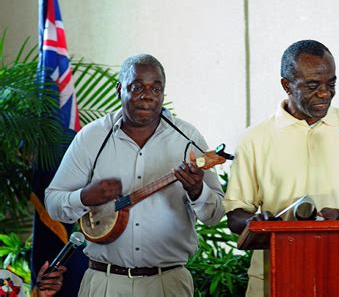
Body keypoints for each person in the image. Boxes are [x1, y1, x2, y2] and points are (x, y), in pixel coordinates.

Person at [45, 54, 225, 297]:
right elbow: (54, 203)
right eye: (137, 86)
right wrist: (83, 197)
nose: (147, 95)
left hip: (168, 283)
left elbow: (216, 215)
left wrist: (197, 191)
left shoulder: (187, 138)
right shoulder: (92, 137)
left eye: (156, 88)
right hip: (104, 282)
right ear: (120, 88)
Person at [223, 40, 339, 296]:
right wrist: (256, 222)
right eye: (313, 85)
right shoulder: (254, 139)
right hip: (274, 277)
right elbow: (235, 215)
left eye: (331, 84)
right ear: (286, 85)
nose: (325, 93)